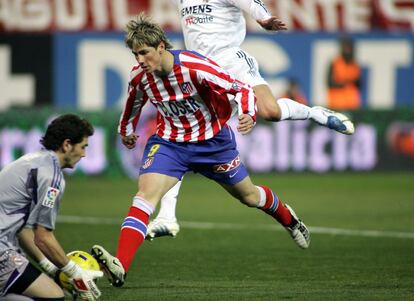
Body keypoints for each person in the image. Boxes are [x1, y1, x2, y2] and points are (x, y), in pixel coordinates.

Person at [91, 13, 310, 288]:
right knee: (145, 196)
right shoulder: (140, 78)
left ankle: (290, 220)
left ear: (161, 46)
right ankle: (121, 265)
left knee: (250, 196)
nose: (139, 60)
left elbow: (240, 88)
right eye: (135, 54)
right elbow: (132, 105)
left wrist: (249, 114)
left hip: (212, 144)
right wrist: (126, 130)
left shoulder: (194, 66)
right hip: (170, 143)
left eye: (144, 53)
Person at [146, 0, 355, 240]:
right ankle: (166, 216)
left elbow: (251, 3)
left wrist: (264, 18)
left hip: (229, 60)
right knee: (181, 133)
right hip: (197, 67)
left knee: (271, 112)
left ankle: (316, 113)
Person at [0, 114, 103, 301]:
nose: (84, 154)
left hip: (6, 244)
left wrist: (50, 268)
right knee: (54, 296)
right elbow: (43, 238)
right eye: (83, 146)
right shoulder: (51, 176)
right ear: (67, 145)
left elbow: (24, 229)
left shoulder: (33, 161)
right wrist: (74, 271)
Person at [327, 36, 362, 110]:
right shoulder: (335, 63)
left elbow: (359, 84)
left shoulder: (355, 64)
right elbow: (329, 83)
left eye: (349, 47)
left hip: (353, 104)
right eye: (345, 47)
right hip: (336, 104)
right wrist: (345, 82)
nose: (347, 50)